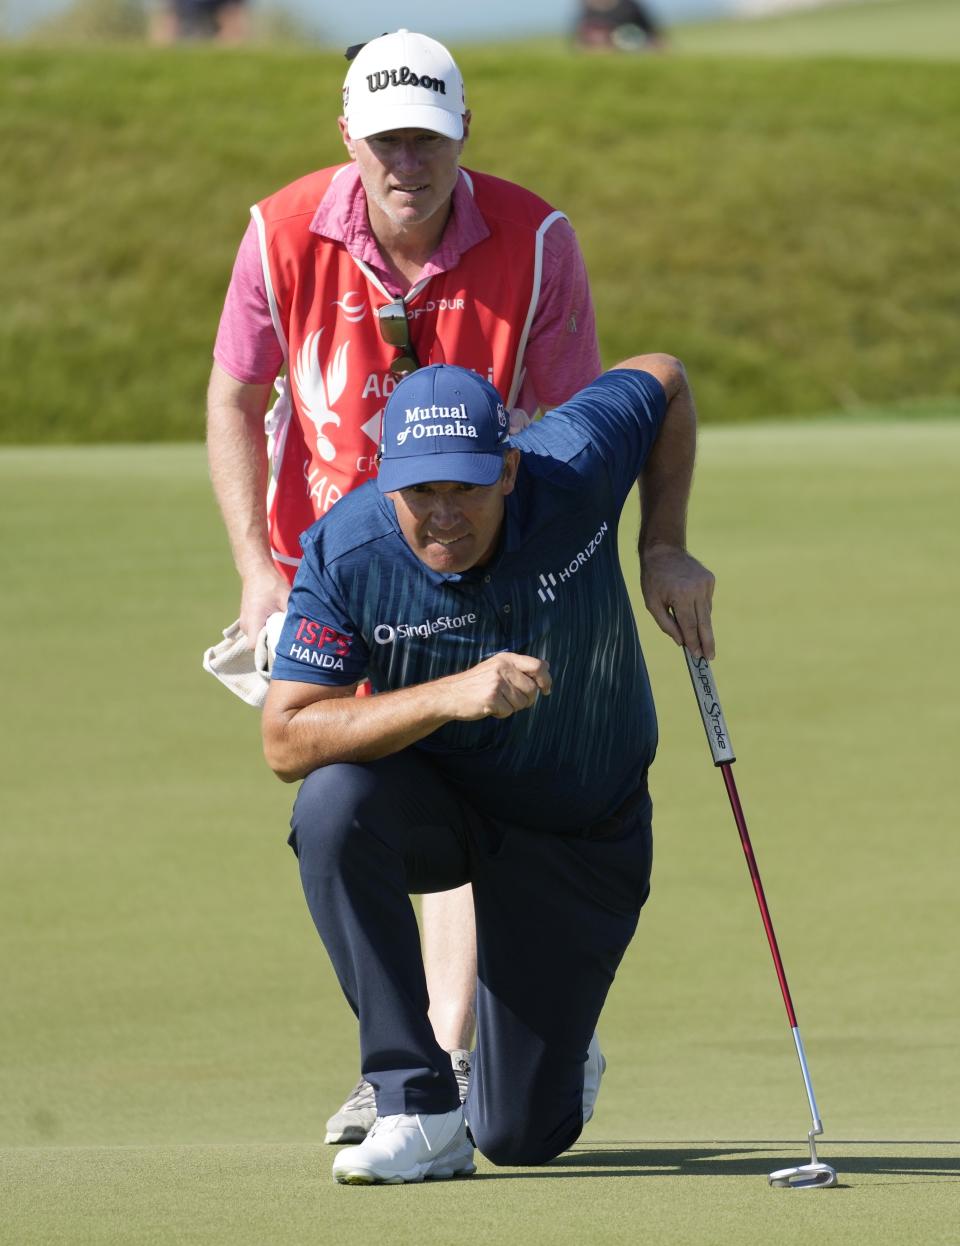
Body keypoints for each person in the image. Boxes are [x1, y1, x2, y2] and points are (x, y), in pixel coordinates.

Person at [206, 29, 602, 1143]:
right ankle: (419, 1061)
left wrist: (569, 586)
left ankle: (449, 1053)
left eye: (427, 136)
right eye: (385, 140)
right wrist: (254, 570)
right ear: (349, 137)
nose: (406, 162)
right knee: (349, 812)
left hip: (487, 571)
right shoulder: (279, 235)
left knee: (466, 810)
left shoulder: (535, 242)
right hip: (334, 582)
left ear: (461, 132)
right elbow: (237, 397)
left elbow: (572, 432)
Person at [261, 356, 715, 1183]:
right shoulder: (348, 551)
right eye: (419, 492)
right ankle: (417, 1102)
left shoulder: (573, 462)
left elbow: (666, 377)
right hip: (445, 807)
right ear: (386, 480)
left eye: (466, 489)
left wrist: (663, 544)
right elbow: (286, 738)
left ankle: (550, 1051)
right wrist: (449, 696)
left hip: (580, 826)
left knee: (518, 1136)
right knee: (334, 806)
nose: (442, 516)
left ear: (508, 468)